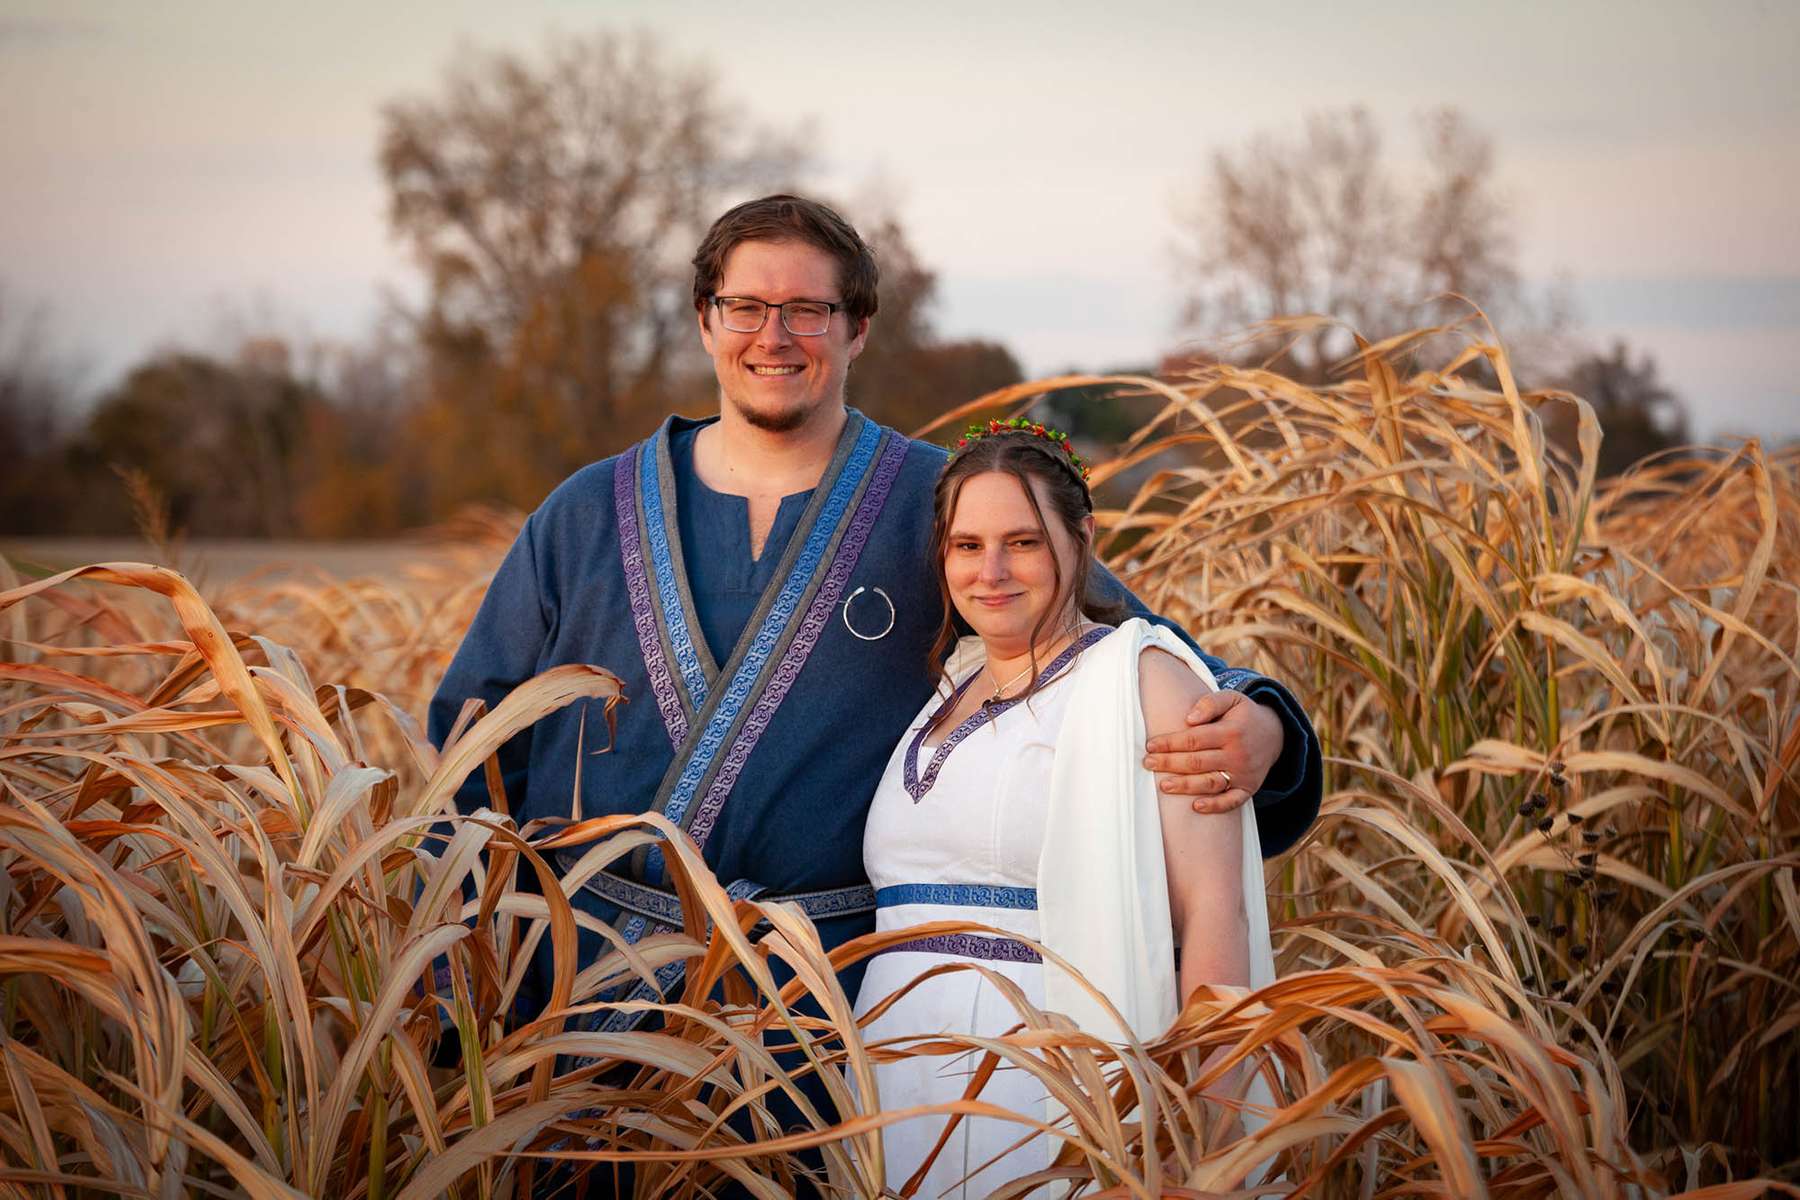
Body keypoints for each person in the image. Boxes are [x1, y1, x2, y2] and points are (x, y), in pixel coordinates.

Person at [426, 194, 1318, 1035]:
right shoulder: (584, 514)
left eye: (808, 310)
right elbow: (470, 753)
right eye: (746, 307)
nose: (774, 337)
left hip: (829, 1012)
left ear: (857, 328)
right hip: (589, 1000)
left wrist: (1264, 726)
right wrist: (456, 979)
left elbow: (1125, 646)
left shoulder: (944, 506)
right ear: (705, 321)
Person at [852, 424, 1277, 1195]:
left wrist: (1209, 1134)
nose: (992, 572)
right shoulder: (946, 686)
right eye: (967, 546)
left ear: (1082, 538)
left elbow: (1216, 914)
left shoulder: (1141, 681)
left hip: (1047, 1096)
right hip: (894, 1089)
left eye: (1022, 542)